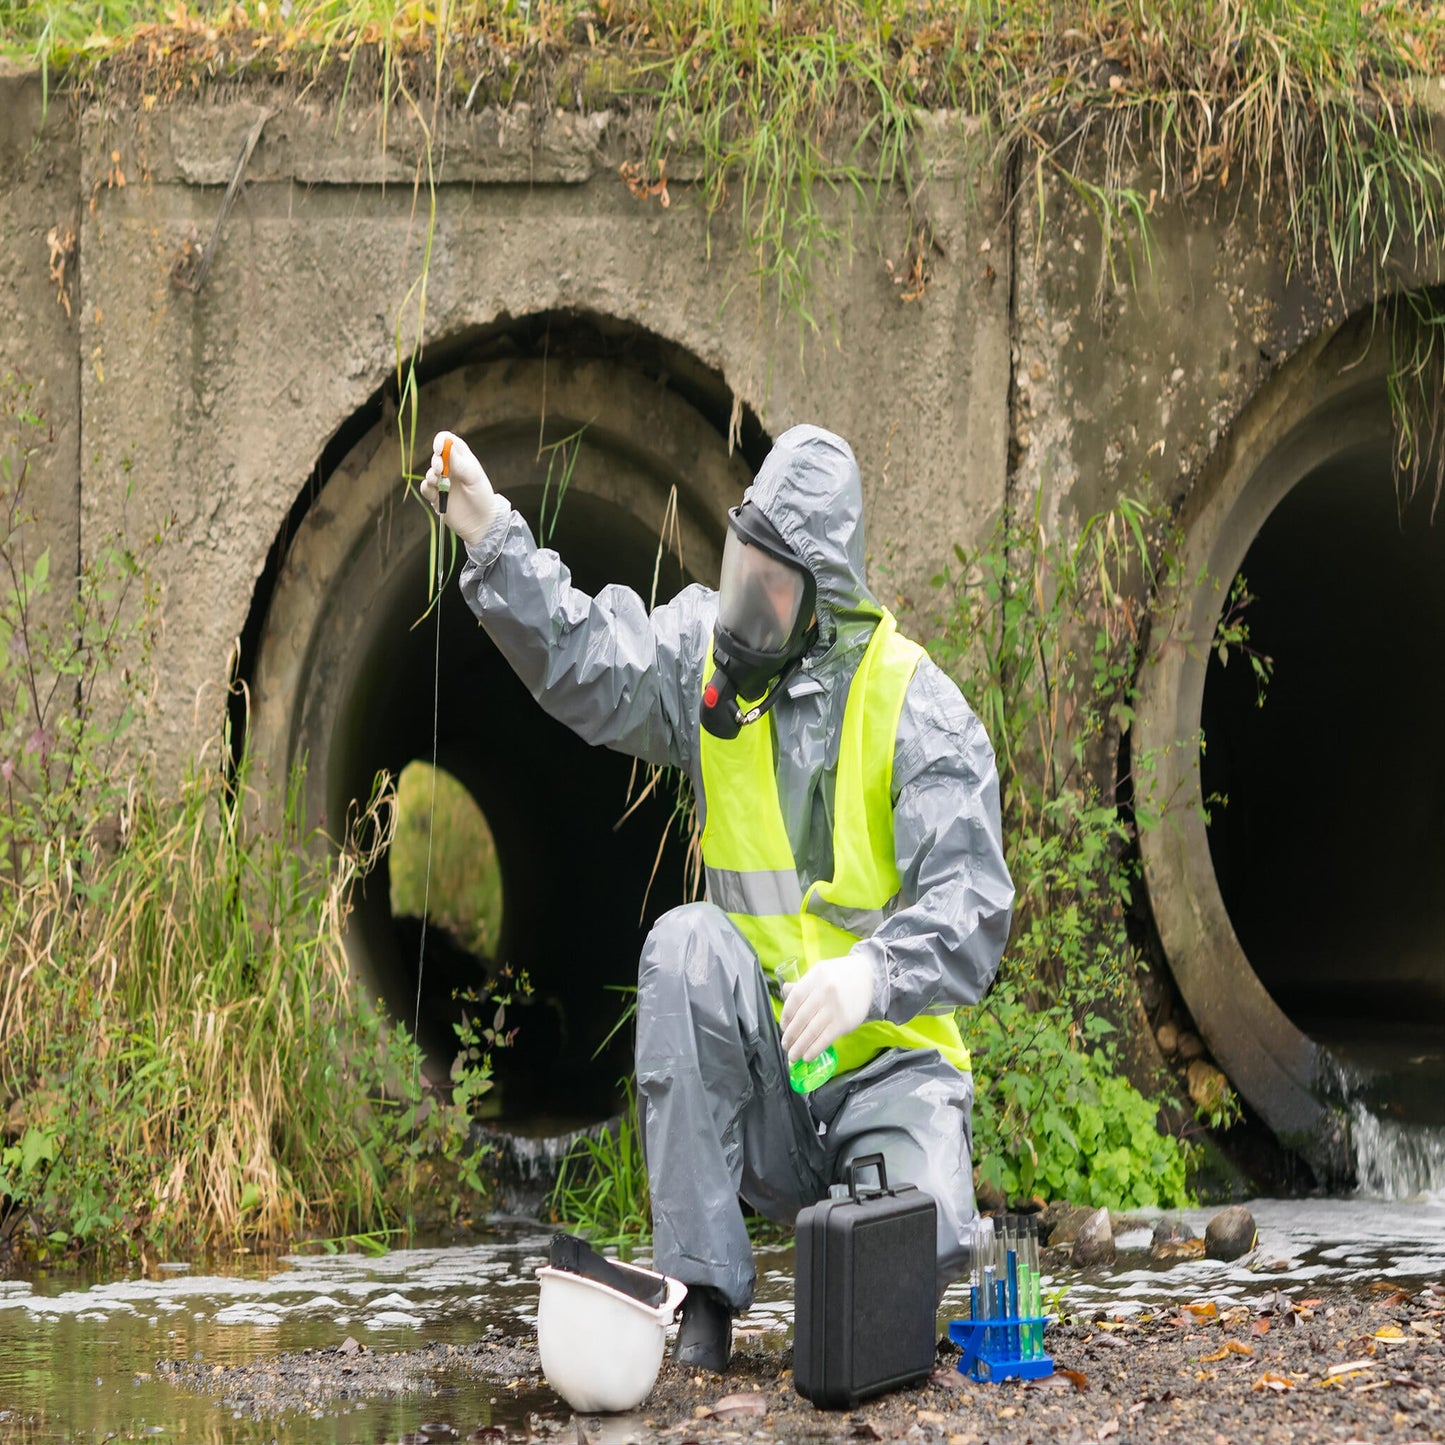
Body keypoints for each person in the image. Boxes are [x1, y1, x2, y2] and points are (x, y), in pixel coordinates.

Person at [421, 423, 1013, 1373]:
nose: (745, 602)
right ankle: (702, 1299)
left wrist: (871, 974)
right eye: (742, 565)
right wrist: (492, 534)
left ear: (822, 599)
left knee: (908, 1269)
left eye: (771, 585)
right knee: (684, 945)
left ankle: (896, 1239)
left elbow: (975, 901)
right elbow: (587, 655)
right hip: (772, 1077)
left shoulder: (915, 705)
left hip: (888, 1075)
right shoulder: (705, 652)